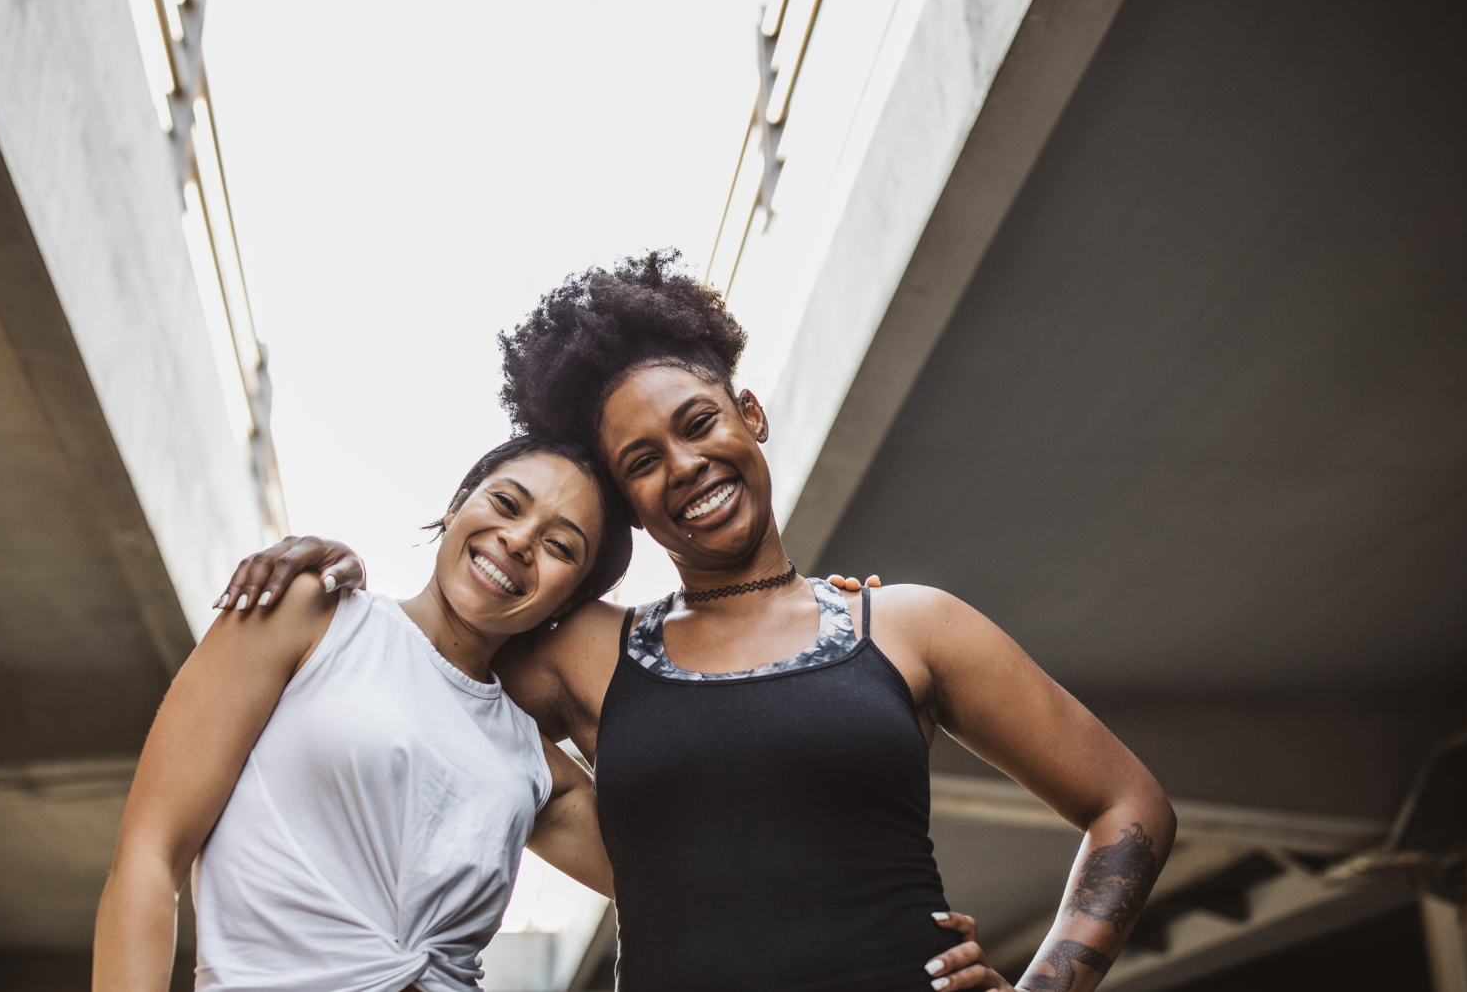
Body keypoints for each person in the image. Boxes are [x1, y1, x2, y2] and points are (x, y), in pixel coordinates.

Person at [224, 251, 1177, 992]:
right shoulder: (583, 653)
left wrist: (1051, 978)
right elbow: (407, 685)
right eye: (641, 460)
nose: (683, 465)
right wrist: (327, 589)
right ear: (629, 510)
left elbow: (1129, 803)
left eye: (697, 422)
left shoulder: (908, 625)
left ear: (749, 413)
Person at [95, 436, 634, 992]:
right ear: (457, 505)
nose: (519, 540)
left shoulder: (534, 767)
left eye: (560, 547)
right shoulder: (310, 613)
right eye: (506, 503)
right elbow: (150, 856)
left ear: (571, 604)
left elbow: (694, 882)